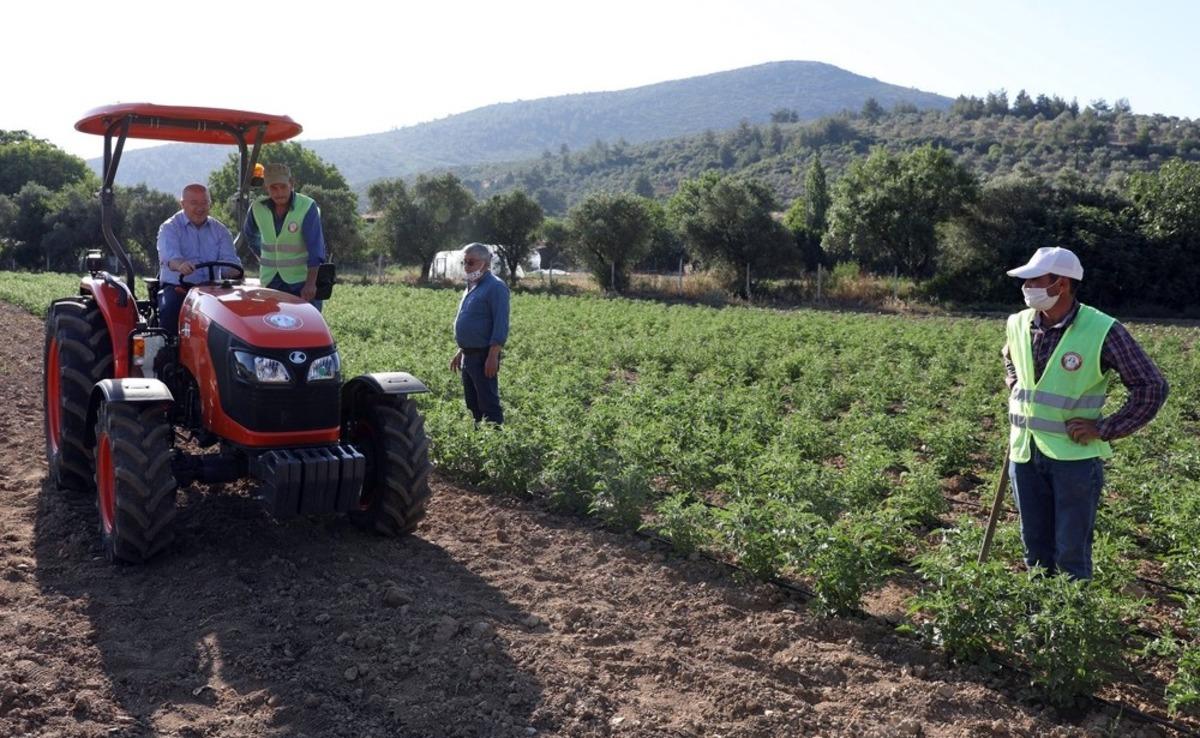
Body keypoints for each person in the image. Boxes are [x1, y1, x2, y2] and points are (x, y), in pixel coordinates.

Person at [1002, 246, 1168, 580]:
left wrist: (1106, 427)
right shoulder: (1018, 323)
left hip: (1073, 460)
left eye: (1034, 280)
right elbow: (1009, 355)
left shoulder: (1103, 329)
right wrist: (1015, 381)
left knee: (1070, 552)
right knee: (1035, 547)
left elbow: (1151, 386)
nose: (1026, 288)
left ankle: (1069, 622)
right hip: (1024, 452)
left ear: (1061, 285)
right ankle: (1040, 621)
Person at [156, 183, 240, 337]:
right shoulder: (170, 228)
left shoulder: (220, 231)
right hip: (180, 288)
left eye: (204, 203)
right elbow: (170, 257)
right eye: (194, 203)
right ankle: (168, 353)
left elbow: (230, 262)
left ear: (210, 204)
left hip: (213, 290)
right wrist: (180, 264)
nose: (200, 208)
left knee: (236, 312)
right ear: (182, 204)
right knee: (170, 309)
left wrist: (234, 270)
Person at [242, 163, 327, 309]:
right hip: (271, 280)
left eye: (283, 187)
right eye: (273, 188)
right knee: (273, 325)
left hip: (301, 282)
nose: (279, 192)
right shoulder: (257, 207)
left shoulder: (306, 206)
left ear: (291, 184)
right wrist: (263, 256)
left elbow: (316, 248)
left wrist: (311, 284)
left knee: (305, 327)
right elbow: (250, 235)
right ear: (266, 188)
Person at [450, 243, 510, 425]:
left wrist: (493, 356)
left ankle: (496, 443)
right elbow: (475, 321)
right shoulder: (472, 286)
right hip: (468, 356)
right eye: (464, 262)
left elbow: (500, 324)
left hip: (483, 356)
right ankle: (479, 439)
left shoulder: (496, 287)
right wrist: (461, 350)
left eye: (471, 262)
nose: (466, 267)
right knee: (473, 404)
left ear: (485, 263)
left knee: (488, 404)